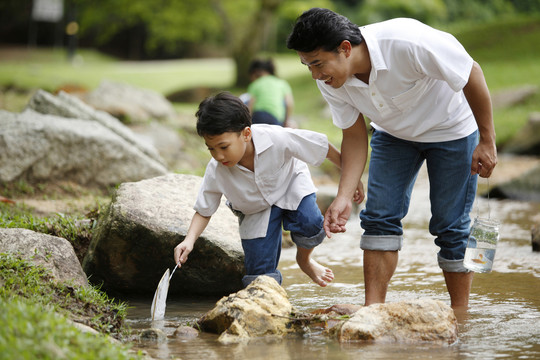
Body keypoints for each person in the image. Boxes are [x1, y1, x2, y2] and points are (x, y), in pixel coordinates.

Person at [286, 8, 497, 309]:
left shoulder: (407, 42)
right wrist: (344, 195)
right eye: (308, 66)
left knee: (450, 225)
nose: (315, 75)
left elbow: (471, 72)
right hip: (393, 135)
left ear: (345, 48)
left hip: (452, 131)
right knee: (379, 217)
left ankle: (460, 315)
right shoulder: (331, 80)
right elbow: (355, 136)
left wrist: (487, 141)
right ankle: (373, 311)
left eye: (317, 64)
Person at [173, 92, 353, 288]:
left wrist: (351, 177)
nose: (218, 155)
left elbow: (321, 147)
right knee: (259, 279)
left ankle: (305, 261)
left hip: (290, 185)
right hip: (255, 209)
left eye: (223, 147)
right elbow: (204, 209)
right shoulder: (216, 170)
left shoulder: (276, 137)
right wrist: (188, 241)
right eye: (211, 149)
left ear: (246, 134)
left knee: (310, 222)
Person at [246, 58, 294, 127]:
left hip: (258, 115)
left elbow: (250, 105)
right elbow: (289, 104)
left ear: (255, 72)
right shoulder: (282, 83)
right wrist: (286, 122)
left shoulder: (256, 83)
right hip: (275, 117)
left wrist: (247, 123)